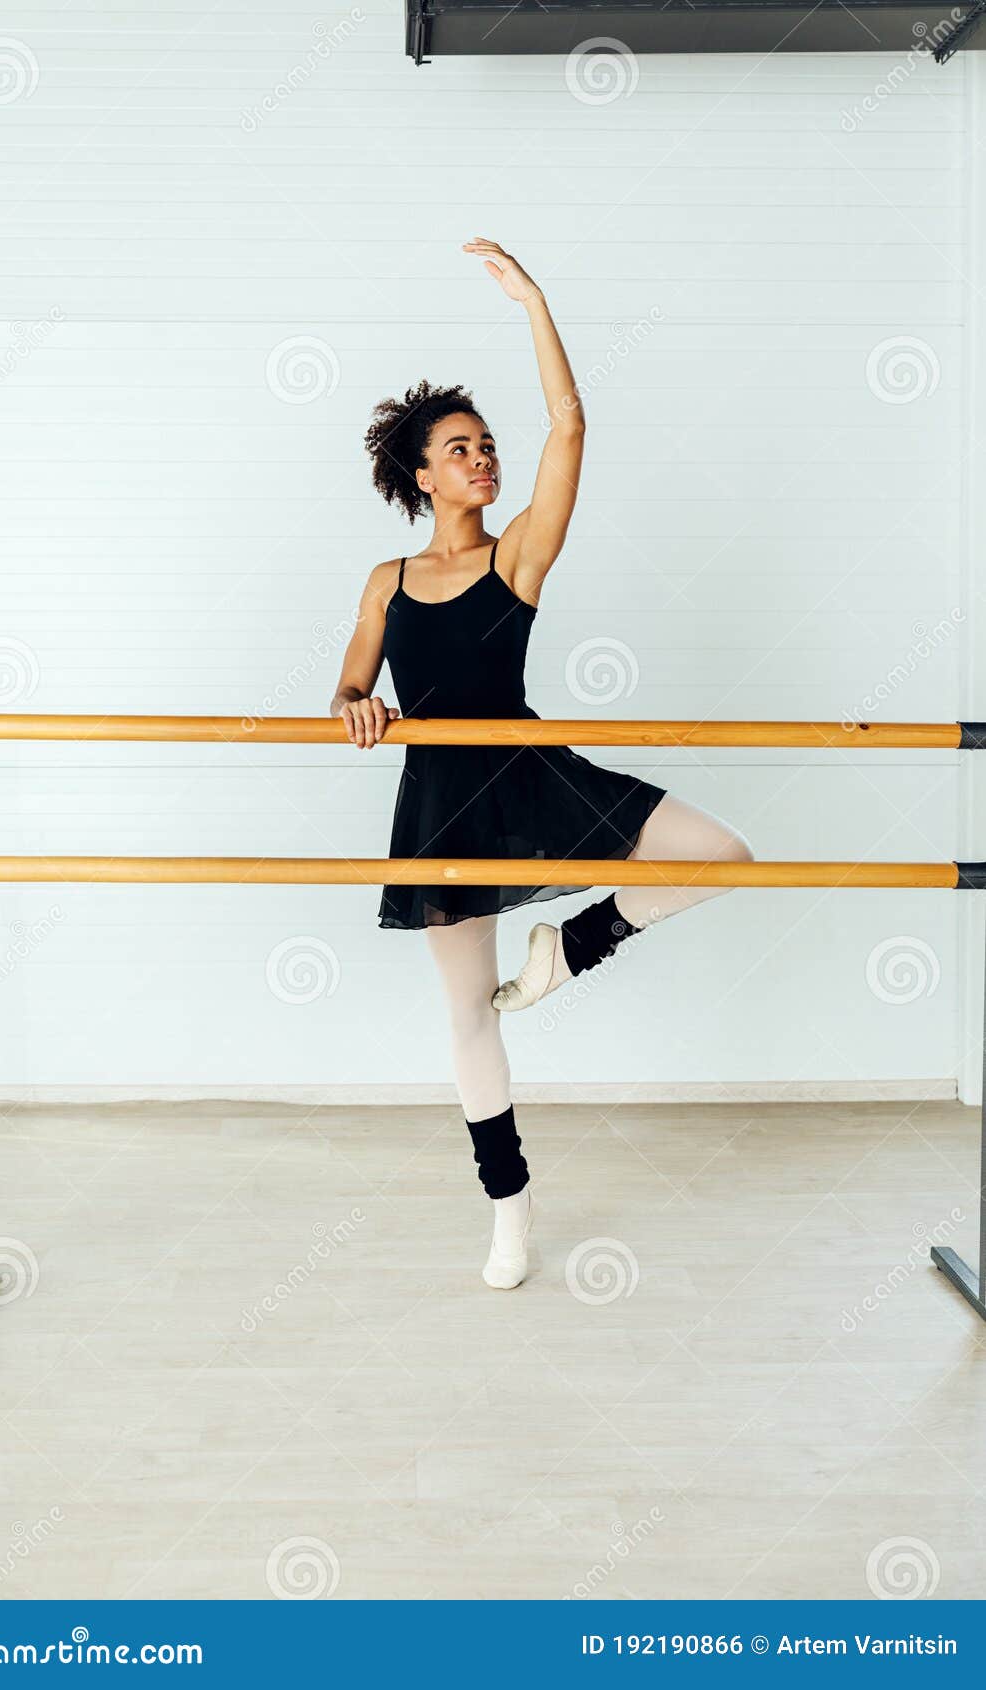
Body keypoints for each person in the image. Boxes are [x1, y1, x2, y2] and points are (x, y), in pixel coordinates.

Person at [330, 238, 753, 1291]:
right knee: (468, 1012)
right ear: (420, 475)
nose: (481, 457)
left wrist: (533, 302)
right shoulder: (384, 578)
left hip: (525, 764)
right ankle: (508, 1209)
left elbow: (568, 424)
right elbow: (344, 689)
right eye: (458, 449)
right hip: (439, 800)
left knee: (719, 854)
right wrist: (357, 708)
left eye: (485, 443)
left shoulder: (514, 555)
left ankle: (573, 942)